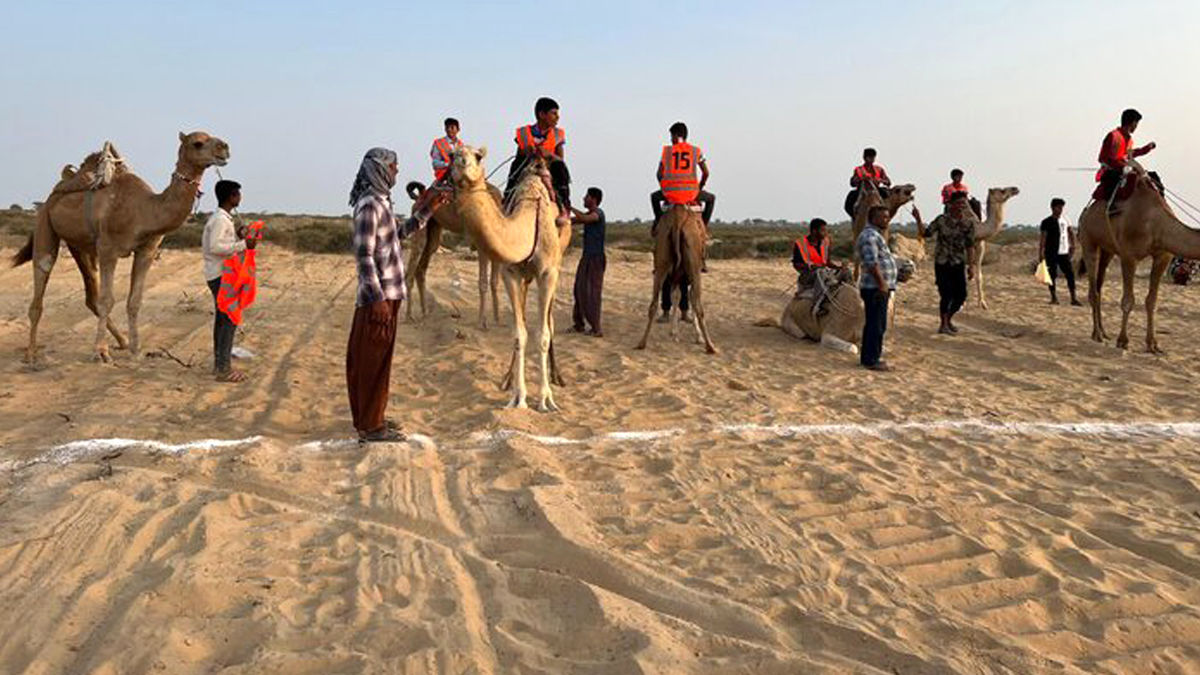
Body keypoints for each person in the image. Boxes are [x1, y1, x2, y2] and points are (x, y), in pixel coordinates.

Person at [347, 147, 449, 443]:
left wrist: (430, 209)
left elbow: (400, 233)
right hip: (377, 298)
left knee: (378, 361)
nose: (396, 172)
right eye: (393, 167)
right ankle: (370, 426)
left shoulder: (381, 203)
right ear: (380, 169)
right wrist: (376, 298)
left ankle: (373, 418)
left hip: (388, 294)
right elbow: (363, 255)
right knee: (370, 361)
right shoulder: (369, 206)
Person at [202, 180, 255, 383]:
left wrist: (238, 236)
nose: (240, 198)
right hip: (220, 275)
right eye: (238, 194)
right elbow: (215, 247)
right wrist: (244, 244)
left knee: (223, 319)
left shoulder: (223, 219)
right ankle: (223, 369)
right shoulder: (220, 220)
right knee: (228, 320)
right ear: (231, 196)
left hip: (220, 273)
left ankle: (220, 365)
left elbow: (222, 243)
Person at [914, 192, 976, 334]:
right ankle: (943, 324)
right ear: (951, 204)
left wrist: (971, 266)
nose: (962, 206)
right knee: (946, 294)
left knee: (961, 295)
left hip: (958, 262)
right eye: (959, 203)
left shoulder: (968, 224)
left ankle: (948, 319)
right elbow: (926, 233)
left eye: (964, 203)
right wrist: (918, 219)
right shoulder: (941, 220)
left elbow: (970, 246)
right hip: (942, 262)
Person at [506, 97, 570, 226]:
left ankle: (564, 207)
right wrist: (527, 152)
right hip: (529, 164)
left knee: (560, 166)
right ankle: (507, 199)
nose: (557, 117)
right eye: (554, 113)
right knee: (516, 163)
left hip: (549, 166)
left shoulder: (558, 134)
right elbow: (519, 155)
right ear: (542, 115)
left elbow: (560, 158)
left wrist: (549, 154)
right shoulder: (524, 133)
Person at [650, 122, 715, 230]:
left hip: (670, 194)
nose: (671, 139)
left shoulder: (667, 151)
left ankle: (658, 222)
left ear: (676, 135)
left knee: (654, 197)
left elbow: (659, 174)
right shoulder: (696, 151)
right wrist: (700, 186)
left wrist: (665, 189)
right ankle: (704, 228)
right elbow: (706, 173)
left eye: (671, 136)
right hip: (692, 194)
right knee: (711, 199)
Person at [857, 205, 898, 371]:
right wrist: (882, 283)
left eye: (887, 217)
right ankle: (872, 360)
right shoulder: (870, 236)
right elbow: (871, 263)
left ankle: (870, 357)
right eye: (883, 217)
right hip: (874, 287)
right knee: (876, 324)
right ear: (873, 218)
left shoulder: (876, 235)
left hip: (878, 286)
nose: (886, 220)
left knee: (876, 323)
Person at [1095, 108, 1156, 202]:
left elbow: (1129, 154)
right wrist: (1123, 167)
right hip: (1112, 173)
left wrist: (1146, 149)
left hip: (1125, 171)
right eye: (1136, 123)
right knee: (1132, 177)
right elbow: (1104, 158)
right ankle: (1113, 207)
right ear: (1132, 122)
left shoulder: (1128, 140)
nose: (1136, 126)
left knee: (1151, 177)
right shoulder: (1113, 136)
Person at [571, 187, 607, 337]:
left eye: (587, 196)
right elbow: (574, 220)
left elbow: (584, 219)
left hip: (596, 258)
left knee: (593, 293)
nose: (584, 198)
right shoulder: (588, 215)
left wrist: (569, 207)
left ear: (593, 199)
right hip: (586, 257)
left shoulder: (598, 213)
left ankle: (596, 328)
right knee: (578, 290)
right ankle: (578, 324)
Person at [1039, 198, 1080, 305]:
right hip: (1051, 252)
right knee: (1052, 275)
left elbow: (1070, 232)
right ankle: (1054, 297)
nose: (1060, 209)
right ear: (1052, 208)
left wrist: (1073, 246)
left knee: (1070, 274)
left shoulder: (1065, 220)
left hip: (1064, 252)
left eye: (1062, 207)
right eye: (1058, 207)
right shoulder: (1046, 222)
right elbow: (1043, 237)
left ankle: (1073, 298)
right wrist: (1041, 252)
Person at [791, 218, 841, 288]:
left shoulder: (826, 242)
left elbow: (828, 262)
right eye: (823, 230)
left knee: (846, 272)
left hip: (825, 272)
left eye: (826, 230)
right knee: (821, 272)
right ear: (814, 231)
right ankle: (821, 297)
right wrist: (810, 266)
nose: (826, 233)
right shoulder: (800, 244)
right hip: (808, 275)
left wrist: (839, 267)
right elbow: (796, 264)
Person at [844, 147, 891, 217]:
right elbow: (852, 182)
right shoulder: (859, 169)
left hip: (876, 189)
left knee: (888, 193)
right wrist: (861, 179)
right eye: (869, 157)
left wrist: (879, 180)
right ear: (864, 158)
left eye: (873, 157)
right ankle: (854, 216)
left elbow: (888, 182)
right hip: (862, 190)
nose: (871, 159)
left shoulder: (879, 169)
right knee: (850, 198)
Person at [430, 117, 463, 184]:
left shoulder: (461, 145)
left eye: (452, 127)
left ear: (458, 129)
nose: (449, 130)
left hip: (459, 176)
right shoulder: (438, 143)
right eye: (447, 128)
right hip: (444, 176)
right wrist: (448, 164)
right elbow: (435, 163)